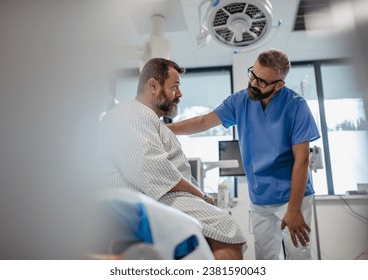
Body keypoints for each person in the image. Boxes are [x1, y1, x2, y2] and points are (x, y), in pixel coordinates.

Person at [168, 49, 320, 260]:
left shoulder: (296, 106)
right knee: (265, 258)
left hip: (293, 197)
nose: (253, 84)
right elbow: (203, 122)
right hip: (260, 197)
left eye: (262, 81)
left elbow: (302, 160)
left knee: (298, 255)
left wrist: (294, 209)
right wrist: (165, 129)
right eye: (252, 75)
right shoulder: (240, 101)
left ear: (279, 85)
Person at [99, 58, 247, 260]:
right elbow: (151, 169)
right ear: (153, 85)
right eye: (174, 86)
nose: (180, 93)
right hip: (138, 204)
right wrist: (201, 196)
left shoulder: (152, 121)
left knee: (216, 225)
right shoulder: (131, 114)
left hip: (158, 197)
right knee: (224, 226)